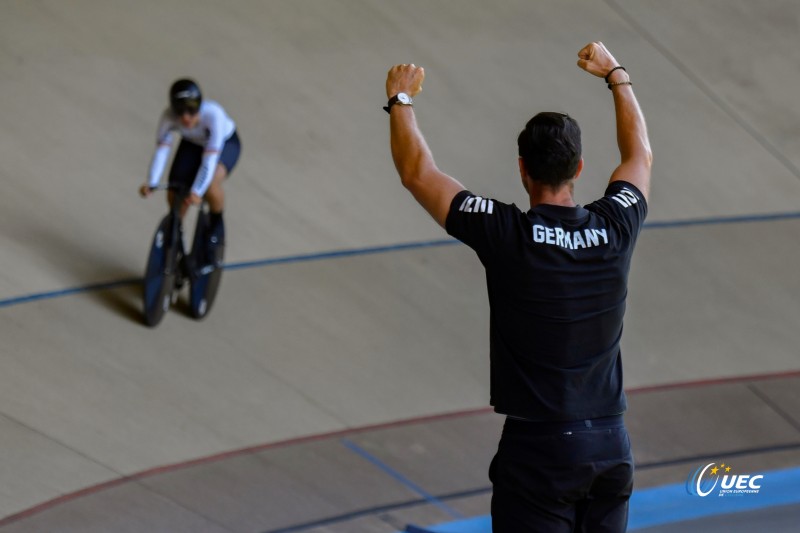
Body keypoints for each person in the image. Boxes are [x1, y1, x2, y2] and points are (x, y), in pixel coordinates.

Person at [384, 41, 651, 532]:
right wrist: (617, 75)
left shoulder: (508, 233)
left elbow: (417, 173)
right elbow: (640, 156)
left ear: (522, 170)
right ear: (580, 169)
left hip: (540, 452)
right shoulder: (616, 227)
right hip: (610, 444)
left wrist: (400, 101)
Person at [139, 78, 241, 262]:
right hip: (192, 144)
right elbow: (161, 152)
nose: (186, 117)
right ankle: (177, 240)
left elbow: (209, 161)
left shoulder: (213, 115)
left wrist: (197, 191)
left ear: (200, 106)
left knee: (210, 185)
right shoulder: (167, 118)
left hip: (225, 143)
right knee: (174, 193)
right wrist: (152, 182)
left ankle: (216, 226)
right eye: (180, 112)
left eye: (192, 110)